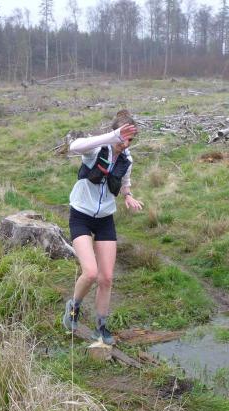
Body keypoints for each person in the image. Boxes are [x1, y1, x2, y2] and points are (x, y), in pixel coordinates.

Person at [62, 110, 144, 345]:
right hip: (81, 215)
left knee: (106, 277)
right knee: (90, 272)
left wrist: (128, 195)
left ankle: (101, 327)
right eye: (122, 138)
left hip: (105, 218)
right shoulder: (96, 149)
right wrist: (111, 137)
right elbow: (74, 146)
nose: (125, 144)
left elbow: (125, 180)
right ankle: (73, 308)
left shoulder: (127, 159)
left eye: (130, 139)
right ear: (114, 133)